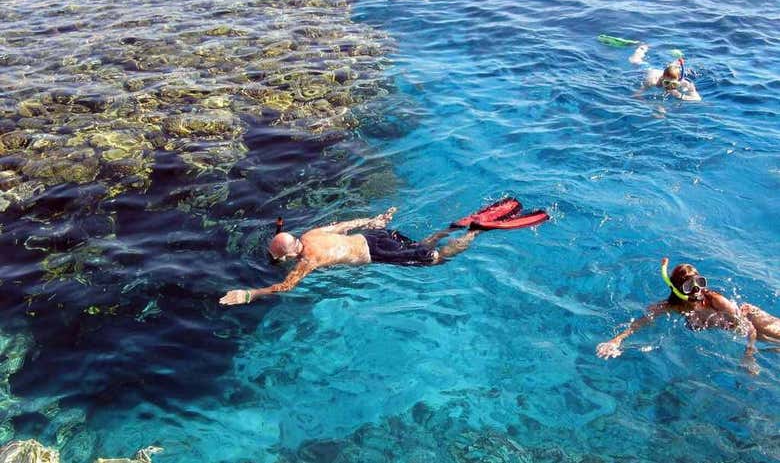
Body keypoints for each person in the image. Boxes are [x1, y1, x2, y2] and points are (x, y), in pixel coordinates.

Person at [219, 198, 548, 305]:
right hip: (376, 235)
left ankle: (475, 231)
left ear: (290, 255)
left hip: (376, 255)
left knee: (435, 260)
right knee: (420, 245)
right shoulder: (313, 233)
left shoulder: (309, 260)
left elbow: (284, 287)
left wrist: (249, 294)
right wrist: (376, 220)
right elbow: (345, 223)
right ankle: (453, 226)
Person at [596, 258, 780, 374]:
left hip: (754, 320)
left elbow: (750, 329)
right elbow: (640, 323)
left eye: (700, 282)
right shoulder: (674, 306)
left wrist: (749, 355)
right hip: (739, 329)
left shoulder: (716, 301)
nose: (697, 290)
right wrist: (616, 340)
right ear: (678, 290)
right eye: (689, 286)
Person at [630, 45, 701, 101]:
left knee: (673, 68)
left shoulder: (684, 83)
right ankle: (642, 47)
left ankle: (676, 61)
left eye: (673, 84)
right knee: (634, 61)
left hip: (668, 73)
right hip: (651, 71)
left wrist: (679, 95)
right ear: (663, 78)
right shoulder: (652, 81)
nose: (669, 87)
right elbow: (637, 95)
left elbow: (697, 99)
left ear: (678, 80)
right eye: (666, 83)